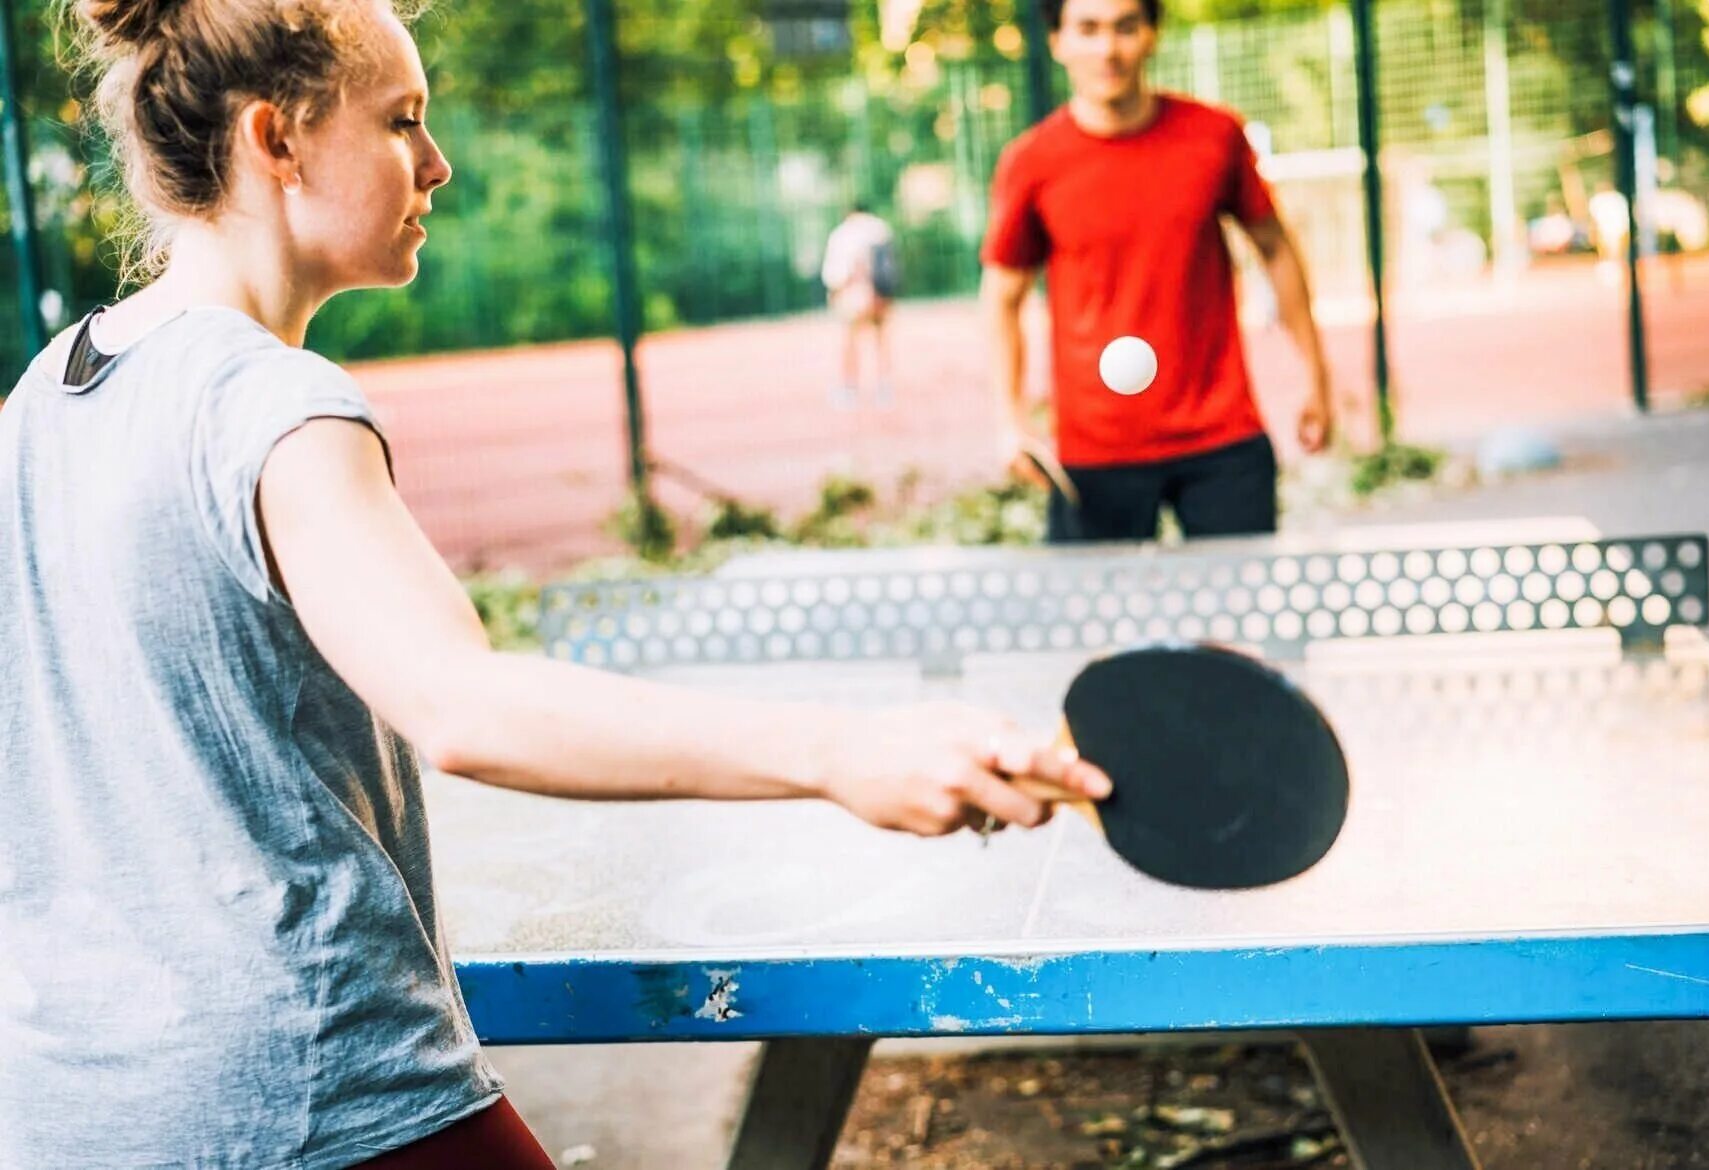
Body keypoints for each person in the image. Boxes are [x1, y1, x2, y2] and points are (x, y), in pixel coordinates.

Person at [0, 2, 1110, 1166]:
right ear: (276, 139)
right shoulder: (275, 409)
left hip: (61, 1108)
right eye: (402, 121)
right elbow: (464, 709)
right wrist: (841, 753)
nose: (437, 163)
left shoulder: (41, 398)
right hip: (305, 1092)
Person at [983, 0, 1335, 545]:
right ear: (1058, 42)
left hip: (1221, 437)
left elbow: (1275, 247)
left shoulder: (1215, 135)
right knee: (1100, 630)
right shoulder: (1031, 162)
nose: (1108, 49)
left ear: (1151, 35)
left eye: (1125, 27)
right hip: (1094, 451)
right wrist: (1011, 420)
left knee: (1234, 628)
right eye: (1089, 29)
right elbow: (1003, 296)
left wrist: (1315, 376)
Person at [820, 200, 899, 408]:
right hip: (882, 295)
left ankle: (849, 389)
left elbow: (835, 273)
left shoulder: (843, 233)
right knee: (881, 342)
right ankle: (884, 388)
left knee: (850, 342)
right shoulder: (882, 229)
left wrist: (836, 292)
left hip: (854, 294)